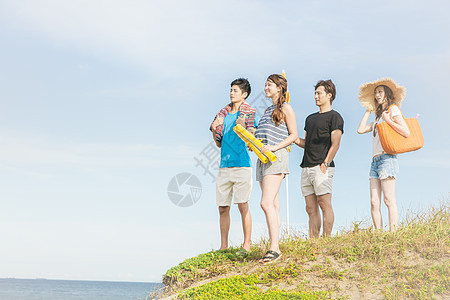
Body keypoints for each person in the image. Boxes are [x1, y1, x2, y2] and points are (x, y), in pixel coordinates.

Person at [210, 78, 258, 255]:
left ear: (244, 94)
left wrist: (243, 125)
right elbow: (218, 144)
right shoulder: (222, 114)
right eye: (231, 89)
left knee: (243, 205)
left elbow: (250, 136)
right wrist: (215, 129)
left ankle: (246, 245)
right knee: (223, 207)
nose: (232, 93)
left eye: (236, 90)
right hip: (224, 166)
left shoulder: (249, 112)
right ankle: (224, 246)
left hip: (242, 165)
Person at [254, 74, 298, 263]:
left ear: (279, 87)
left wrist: (275, 147)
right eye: (265, 85)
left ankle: (275, 249)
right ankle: (275, 246)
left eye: (269, 84)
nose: (266, 87)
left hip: (276, 157)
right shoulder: (266, 111)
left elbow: (293, 135)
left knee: (265, 203)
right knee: (273, 205)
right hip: (262, 160)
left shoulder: (286, 108)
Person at [357, 78, 410, 232]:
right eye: (375, 93)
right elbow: (360, 130)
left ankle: (393, 234)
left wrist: (389, 120)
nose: (377, 95)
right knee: (374, 202)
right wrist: (368, 110)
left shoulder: (392, 110)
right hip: (375, 161)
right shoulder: (378, 118)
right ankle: (379, 234)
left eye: (380, 91)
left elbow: (406, 131)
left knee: (388, 199)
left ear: (387, 94)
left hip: (387, 159)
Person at [295, 80, 344, 238]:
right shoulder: (310, 119)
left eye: (319, 93)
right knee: (310, 208)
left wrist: (325, 164)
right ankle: (314, 241)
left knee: (324, 203)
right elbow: (306, 143)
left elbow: (335, 144)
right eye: (315, 93)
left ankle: (326, 239)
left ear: (329, 95)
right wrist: (294, 139)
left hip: (322, 167)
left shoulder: (335, 117)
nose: (315, 96)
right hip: (306, 167)